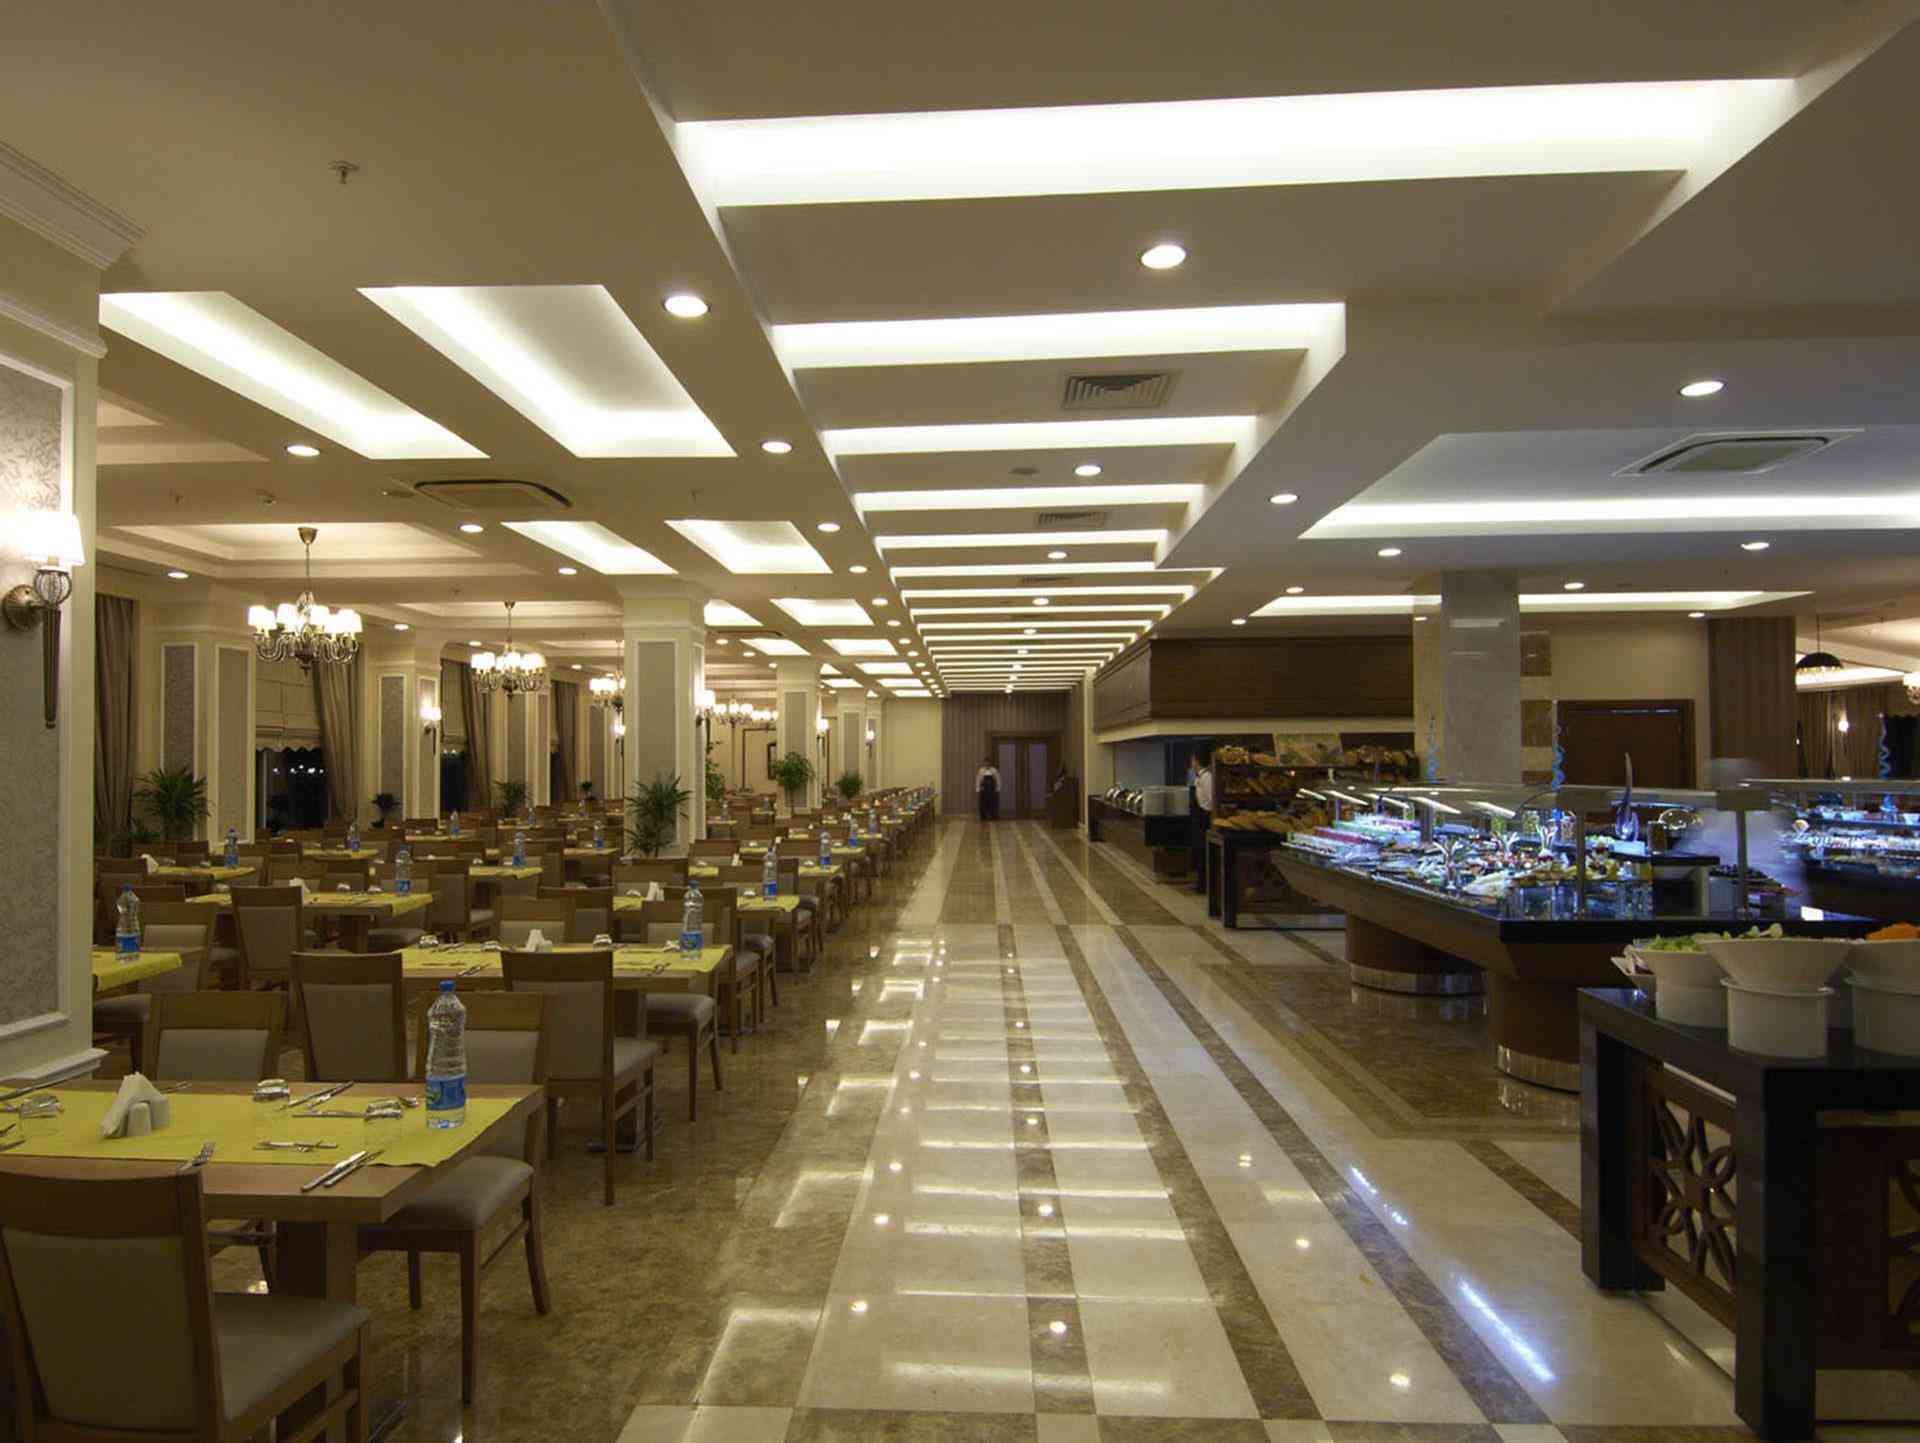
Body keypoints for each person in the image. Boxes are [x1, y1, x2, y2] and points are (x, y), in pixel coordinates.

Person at [1189, 747, 1214, 893]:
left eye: (1192, 759)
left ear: (1197, 761)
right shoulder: (1198, 778)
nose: (1191, 763)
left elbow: (1212, 801)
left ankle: (1205, 885)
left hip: (1204, 819)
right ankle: (1200, 883)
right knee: (1199, 852)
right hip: (1198, 819)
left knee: (1204, 853)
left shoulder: (1207, 778)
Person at [976, 756, 1001, 821]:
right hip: (984, 789)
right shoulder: (981, 770)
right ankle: (983, 817)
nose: (987, 764)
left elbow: (998, 779)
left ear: (990, 763)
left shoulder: (994, 770)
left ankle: (993, 817)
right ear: (984, 763)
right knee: (983, 804)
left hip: (992, 789)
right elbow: (978, 780)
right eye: (985, 762)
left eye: (988, 762)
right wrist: (978, 788)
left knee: (992, 803)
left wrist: (998, 788)